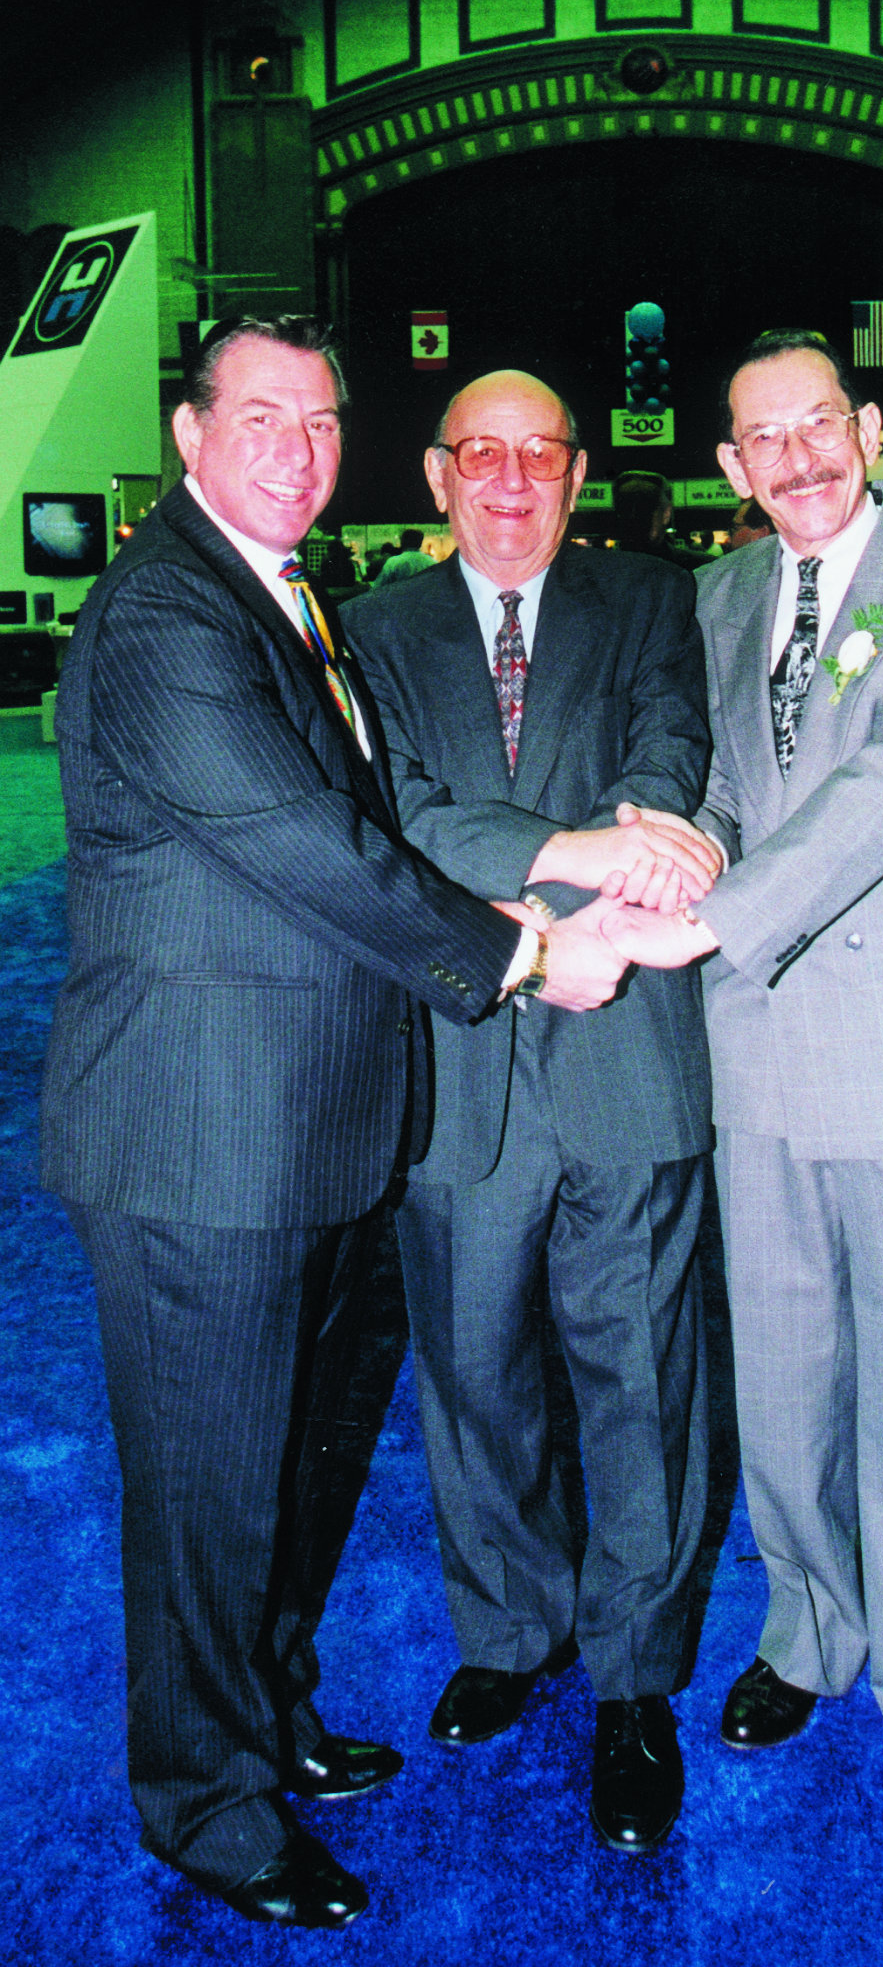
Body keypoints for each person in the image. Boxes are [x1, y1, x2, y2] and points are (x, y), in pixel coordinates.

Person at [39, 319, 629, 1930]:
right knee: (208, 1492)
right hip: (200, 1146)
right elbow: (309, 846)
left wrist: (522, 881)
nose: (297, 446)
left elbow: (364, 827)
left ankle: (270, 1715)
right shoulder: (169, 616)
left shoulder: (283, 596)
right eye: (261, 416)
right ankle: (205, 1804)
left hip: (315, 1129)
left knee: (288, 1472)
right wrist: (522, 950)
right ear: (187, 433)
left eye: (320, 419)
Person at [600, 329, 883, 1866]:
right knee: (786, 1379)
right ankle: (808, 1632)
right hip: (761, 1050)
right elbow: (730, 793)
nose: (795, 457)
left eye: (820, 425)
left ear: (874, 429)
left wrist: (707, 918)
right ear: (727, 466)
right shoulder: (721, 597)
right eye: (760, 439)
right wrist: (657, 854)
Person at [345, 369, 722, 1854]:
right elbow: (402, 815)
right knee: (473, 1370)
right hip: (462, 1060)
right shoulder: (370, 632)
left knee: (643, 1379)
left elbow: (668, 766)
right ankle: (510, 1635)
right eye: (480, 457)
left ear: (576, 475)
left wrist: (615, 849)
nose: (510, 482)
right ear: (437, 477)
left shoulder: (648, 604)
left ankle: (634, 1682)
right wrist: (580, 852)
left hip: (631, 1049)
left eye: (539, 456)